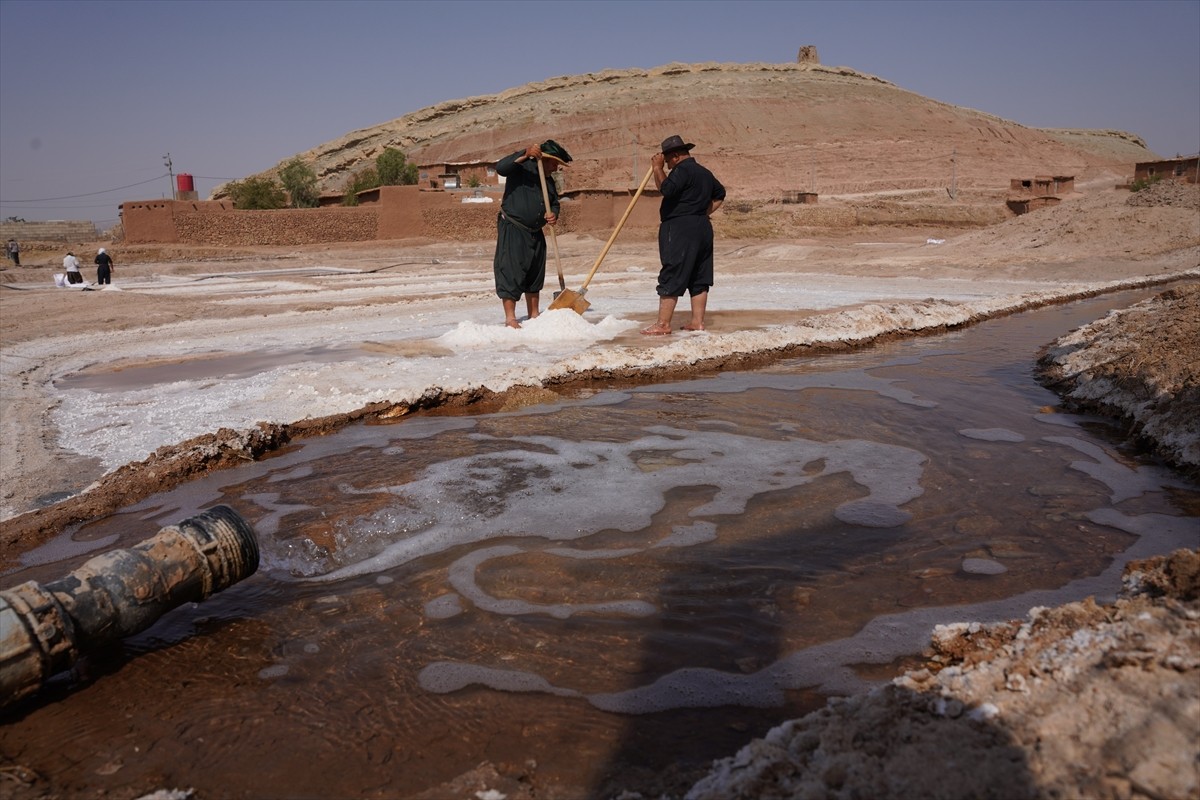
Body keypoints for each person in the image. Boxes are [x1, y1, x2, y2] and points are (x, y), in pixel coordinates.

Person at [642, 134, 726, 335]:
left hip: (680, 228)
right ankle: (697, 322)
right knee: (699, 274)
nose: (668, 165)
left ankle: (663, 324)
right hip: (702, 227)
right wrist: (703, 213)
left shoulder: (682, 170)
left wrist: (657, 169)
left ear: (676, 156)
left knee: (673, 269)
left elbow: (667, 190)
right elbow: (720, 193)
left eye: (668, 161)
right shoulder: (704, 173)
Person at [493, 139, 572, 328]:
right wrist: (525, 152)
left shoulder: (549, 181)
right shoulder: (521, 168)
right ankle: (510, 318)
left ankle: (534, 314)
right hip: (514, 228)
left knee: (535, 272)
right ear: (544, 159)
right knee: (510, 270)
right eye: (554, 163)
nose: (555, 168)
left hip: (535, 232)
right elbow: (501, 168)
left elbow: (554, 203)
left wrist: (554, 214)